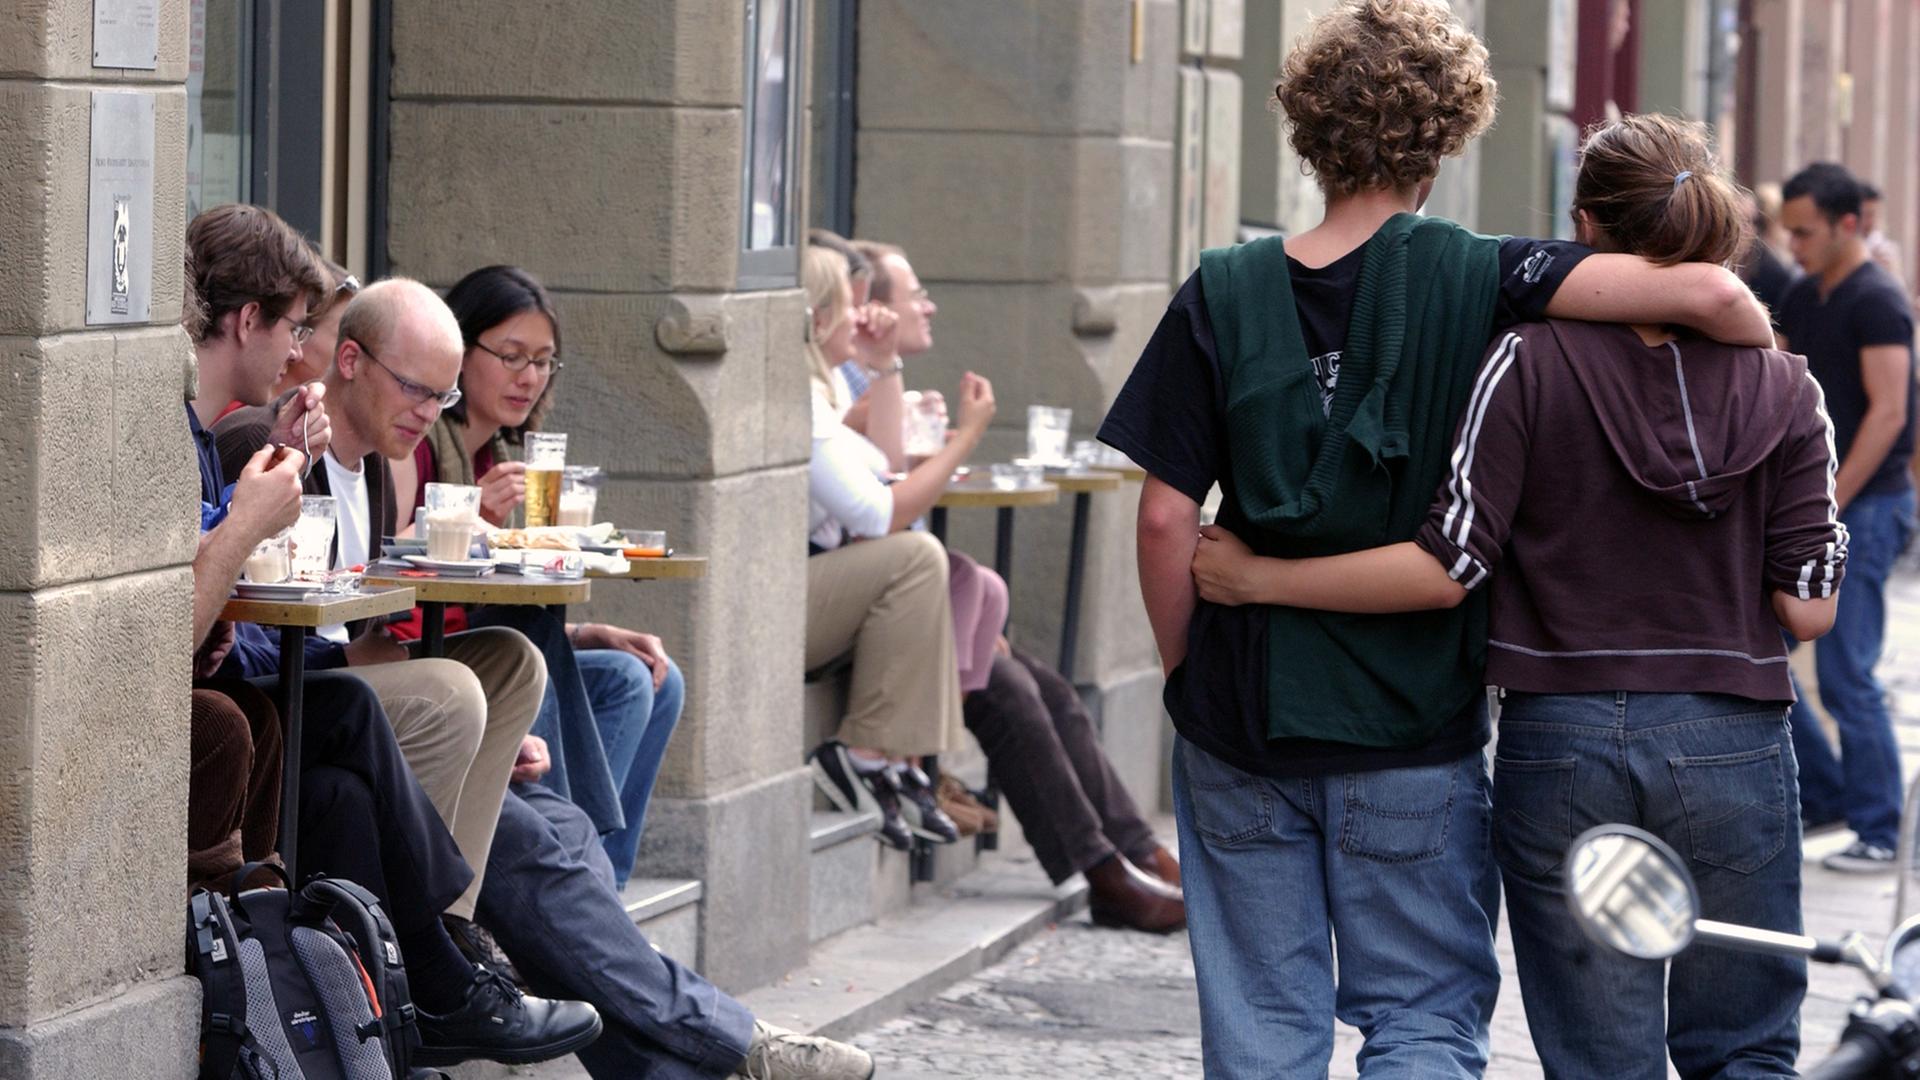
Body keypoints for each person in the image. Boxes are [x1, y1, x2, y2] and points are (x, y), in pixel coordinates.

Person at [1097, 1, 1775, 1074]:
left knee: (1261, 1025)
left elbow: (1166, 516)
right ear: (1450, 132)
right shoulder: (1493, 275)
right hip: (1410, 725)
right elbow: (1709, 291)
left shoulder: (1221, 292)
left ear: (1306, 128)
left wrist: (1192, 672)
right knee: (1420, 1016)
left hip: (1240, 715)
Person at [181, 213, 602, 1064]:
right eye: (298, 326)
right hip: (259, 693)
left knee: (397, 745)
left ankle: (413, 984)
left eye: (440, 398)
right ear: (252, 322)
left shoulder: (352, 453)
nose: (298, 350)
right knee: (421, 700)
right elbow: (222, 619)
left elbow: (300, 616)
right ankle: (443, 966)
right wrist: (253, 530)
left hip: (285, 682)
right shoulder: (245, 435)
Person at [826, 234, 1186, 933]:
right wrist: (960, 433)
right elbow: (882, 515)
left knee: (1046, 687)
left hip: (895, 599)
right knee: (1009, 688)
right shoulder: (832, 390)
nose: (926, 304)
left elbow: (892, 492)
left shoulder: (860, 383)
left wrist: (896, 384)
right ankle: (1103, 872)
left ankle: (1133, 851)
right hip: (862, 611)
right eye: (911, 294)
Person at [205, 267, 548, 927]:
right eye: (415, 389)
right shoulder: (266, 440)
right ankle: (429, 935)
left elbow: (359, 625)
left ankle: (454, 922)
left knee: (513, 660)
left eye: (443, 399)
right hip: (274, 695)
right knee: (449, 692)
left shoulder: (378, 468)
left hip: (331, 674)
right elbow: (246, 629)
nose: (427, 413)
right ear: (352, 361)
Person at [383, 265, 684, 888]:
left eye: (544, 361)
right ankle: (573, 886)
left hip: (487, 639)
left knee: (648, 676)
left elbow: (497, 596)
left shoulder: (503, 453)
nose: (529, 377)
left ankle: (605, 889)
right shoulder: (420, 444)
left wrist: (594, 631)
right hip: (420, 652)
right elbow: (411, 593)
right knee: (539, 646)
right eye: (512, 356)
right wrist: (475, 516)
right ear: (460, 353)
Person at [801, 244, 985, 850]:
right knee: (917, 558)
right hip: (784, 598)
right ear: (819, 316)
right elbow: (881, 511)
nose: (866, 318)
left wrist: (883, 366)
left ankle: (898, 761)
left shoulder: (820, 391)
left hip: (810, 582)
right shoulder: (800, 397)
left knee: (942, 570)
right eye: (851, 307)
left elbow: (885, 465)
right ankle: (868, 752)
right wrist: (967, 439)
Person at [1778, 161, 1919, 871]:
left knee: (1846, 673)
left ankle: (1880, 827)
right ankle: (1828, 795)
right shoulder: (1807, 294)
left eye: (1805, 232)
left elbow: (1891, 413)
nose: (1794, 244)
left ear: (1849, 225)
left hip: (1869, 505)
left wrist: (1830, 500)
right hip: (1824, 506)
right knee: (1770, 653)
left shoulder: (1877, 299)